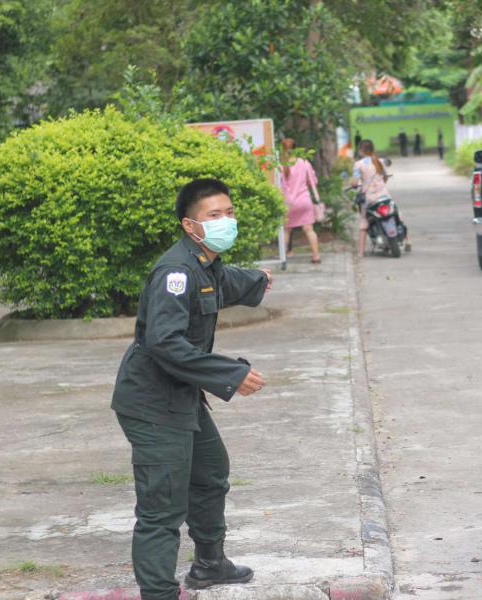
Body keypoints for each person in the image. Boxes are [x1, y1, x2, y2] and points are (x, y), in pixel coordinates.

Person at [111, 178, 272, 600]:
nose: (225, 221)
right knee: (162, 505)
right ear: (190, 225)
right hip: (152, 401)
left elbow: (223, 282)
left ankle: (209, 564)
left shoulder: (204, 262)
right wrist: (230, 375)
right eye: (213, 215)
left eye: (229, 212)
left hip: (181, 393)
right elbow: (165, 342)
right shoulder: (176, 273)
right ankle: (159, 593)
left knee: (210, 472)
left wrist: (257, 280)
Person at [352, 139, 411, 257]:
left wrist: (355, 185)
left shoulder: (358, 165)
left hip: (370, 199)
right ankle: (408, 240)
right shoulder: (379, 161)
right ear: (373, 149)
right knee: (397, 214)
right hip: (384, 196)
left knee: (364, 223)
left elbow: (354, 183)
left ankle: (360, 252)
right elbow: (385, 177)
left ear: (361, 150)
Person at [281, 138, 321, 263]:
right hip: (304, 201)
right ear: (296, 148)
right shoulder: (304, 162)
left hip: (287, 203)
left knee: (286, 230)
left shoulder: (280, 165)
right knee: (309, 229)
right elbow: (313, 181)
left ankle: (283, 258)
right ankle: (316, 256)